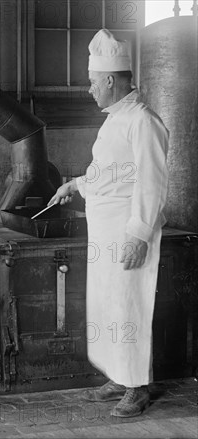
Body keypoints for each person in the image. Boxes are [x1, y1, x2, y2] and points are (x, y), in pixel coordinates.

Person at [50, 29, 169, 418]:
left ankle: (138, 387)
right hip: (104, 235)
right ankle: (121, 375)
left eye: (91, 83)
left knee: (129, 308)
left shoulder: (143, 121)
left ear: (110, 81)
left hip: (127, 233)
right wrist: (75, 184)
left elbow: (152, 183)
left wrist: (139, 235)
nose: (89, 90)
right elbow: (109, 174)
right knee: (110, 307)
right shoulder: (116, 120)